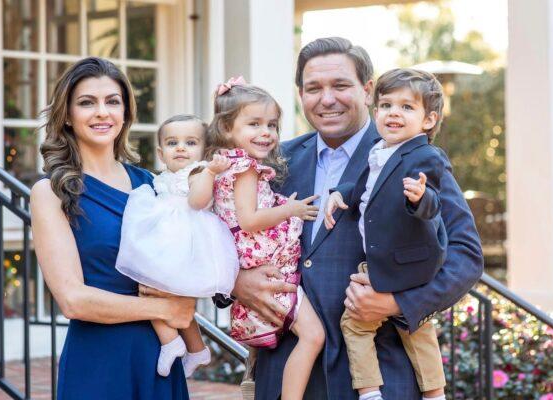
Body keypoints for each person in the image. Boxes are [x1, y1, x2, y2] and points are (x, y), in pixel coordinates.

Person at [229, 37, 483, 399]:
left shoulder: (412, 155)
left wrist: (399, 304)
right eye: (314, 87)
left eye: (341, 85)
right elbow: (222, 232)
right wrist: (237, 281)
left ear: (366, 90)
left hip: (380, 373)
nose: (327, 98)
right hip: (287, 374)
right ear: (300, 94)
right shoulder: (273, 160)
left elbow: (465, 254)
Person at [30, 57, 194, 399]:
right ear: (68, 116)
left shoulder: (151, 183)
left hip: (158, 356)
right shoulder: (51, 192)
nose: (102, 112)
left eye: (112, 102)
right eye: (87, 102)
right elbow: (73, 299)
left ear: (125, 114)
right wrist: (165, 308)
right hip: (99, 360)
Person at [325, 68, 449, 400]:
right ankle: (370, 392)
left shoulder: (426, 156)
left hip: (409, 264)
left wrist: (421, 199)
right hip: (381, 260)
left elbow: (435, 202)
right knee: (355, 324)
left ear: (428, 120)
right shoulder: (379, 151)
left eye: (407, 107)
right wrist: (340, 194)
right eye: (386, 105)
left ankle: (434, 394)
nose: (394, 112)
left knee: (417, 330)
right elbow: (365, 188)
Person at [207, 78, 325, 400]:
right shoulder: (245, 169)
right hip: (263, 263)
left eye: (271, 125)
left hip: (255, 261)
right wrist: (293, 210)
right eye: (254, 124)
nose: (266, 133)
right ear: (228, 128)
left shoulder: (226, 165)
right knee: (313, 336)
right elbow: (250, 219)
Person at [115, 114, 239, 377]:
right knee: (165, 296)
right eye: (173, 143)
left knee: (151, 291)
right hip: (168, 243)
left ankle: (170, 342)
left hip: (186, 244)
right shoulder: (161, 177)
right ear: (161, 152)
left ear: (204, 150)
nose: (181, 148)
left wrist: (210, 172)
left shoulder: (198, 172)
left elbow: (198, 202)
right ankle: (196, 349)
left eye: (190, 142)